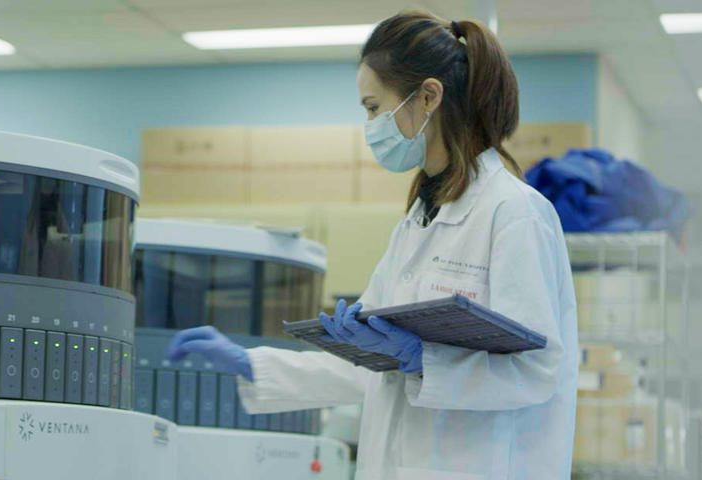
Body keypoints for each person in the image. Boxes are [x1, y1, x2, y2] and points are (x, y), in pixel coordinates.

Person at [165, 10, 579, 480]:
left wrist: (423, 359)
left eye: (372, 107)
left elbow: (538, 372)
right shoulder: (419, 220)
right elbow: (373, 371)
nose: (369, 125)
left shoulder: (514, 213)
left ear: (428, 97)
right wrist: (254, 365)